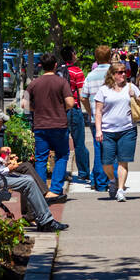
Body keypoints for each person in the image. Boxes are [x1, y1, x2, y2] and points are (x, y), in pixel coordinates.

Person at [0, 107, 67, 233]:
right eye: (2, 123)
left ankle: (44, 219)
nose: (2, 126)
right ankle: (45, 221)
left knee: (27, 178)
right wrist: (8, 168)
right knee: (28, 181)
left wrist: (5, 162)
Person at [94, 58, 140, 200]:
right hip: (108, 131)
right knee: (106, 163)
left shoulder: (131, 87)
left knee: (123, 161)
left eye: (124, 72)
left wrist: (136, 97)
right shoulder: (103, 90)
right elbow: (98, 111)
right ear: (112, 74)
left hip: (127, 130)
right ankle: (112, 180)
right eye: (120, 72)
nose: (123, 74)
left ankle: (121, 190)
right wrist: (98, 130)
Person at [28, 54, 75, 202]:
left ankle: (42, 191)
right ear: (55, 65)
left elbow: (23, 104)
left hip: (40, 125)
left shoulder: (33, 83)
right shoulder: (61, 82)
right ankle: (55, 190)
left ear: (41, 66)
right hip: (59, 124)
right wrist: (61, 109)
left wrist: (36, 109)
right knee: (61, 156)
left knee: (41, 158)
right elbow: (70, 103)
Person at [81, 45, 112, 192]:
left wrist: (90, 110)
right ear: (110, 57)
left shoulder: (91, 75)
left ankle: (97, 180)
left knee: (98, 149)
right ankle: (107, 180)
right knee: (112, 151)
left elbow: (83, 97)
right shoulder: (114, 74)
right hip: (113, 118)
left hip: (95, 119)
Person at [60, 46, 90, 186]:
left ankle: (61, 172)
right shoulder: (77, 71)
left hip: (60, 110)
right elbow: (81, 93)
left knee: (62, 143)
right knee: (79, 143)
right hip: (74, 109)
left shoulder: (57, 71)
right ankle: (83, 173)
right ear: (72, 55)